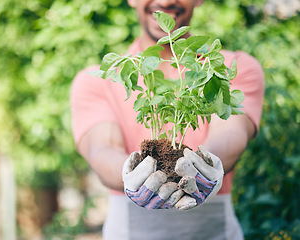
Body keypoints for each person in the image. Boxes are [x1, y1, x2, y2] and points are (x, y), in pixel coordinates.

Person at [70, 0, 265, 239]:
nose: (164, 1)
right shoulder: (99, 79)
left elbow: (230, 132)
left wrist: (204, 167)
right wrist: (129, 174)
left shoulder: (228, 69)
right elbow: (102, 148)